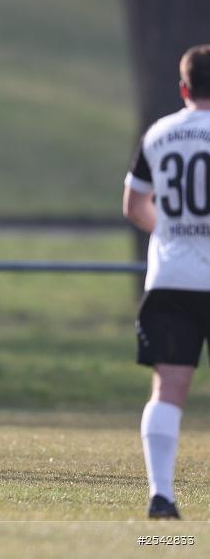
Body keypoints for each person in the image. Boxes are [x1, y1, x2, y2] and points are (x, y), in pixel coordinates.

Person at [123, 44, 210, 519]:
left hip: (171, 279)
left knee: (168, 389)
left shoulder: (159, 133)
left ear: (184, 87)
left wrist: (177, 232)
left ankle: (162, 496)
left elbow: (134, 206)